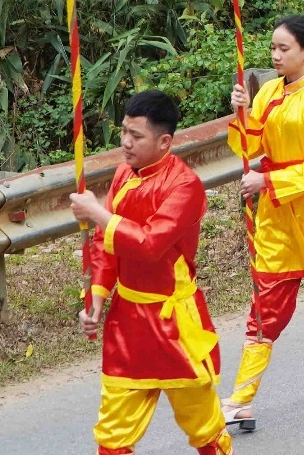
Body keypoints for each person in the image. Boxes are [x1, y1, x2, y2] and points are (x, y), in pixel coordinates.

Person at [68, 91, 232, 455]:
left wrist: (97, 212)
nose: (125, 143)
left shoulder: (185, 187)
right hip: (127, 324)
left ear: (164, 142)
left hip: (173, 326)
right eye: (124, 131)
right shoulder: (124, 173)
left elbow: (148, 244)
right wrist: (96, 298)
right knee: (111, 438)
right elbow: (106, 245)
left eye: (136, 136)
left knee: (205, 431)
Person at [221, 17, 304, 429]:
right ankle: (242, 398)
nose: (275, 56)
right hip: (277, 217)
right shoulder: (268, 95)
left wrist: (268, 180)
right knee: (264, 307)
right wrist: (242, 113)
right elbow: (248, 145)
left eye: (284, 49)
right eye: (273, 49)